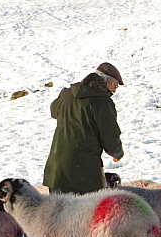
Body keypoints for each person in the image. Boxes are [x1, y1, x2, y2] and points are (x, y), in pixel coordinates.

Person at [42, 62, 125, 194]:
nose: (114, 91)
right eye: (115, 86)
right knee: (86, 213)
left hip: (57, 171)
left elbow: (54, 111)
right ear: (108, 81)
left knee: (58, 213)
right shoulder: (102, 103)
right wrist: (117, 152)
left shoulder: (67, 94)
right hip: (84, 175)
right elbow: (110, 134)